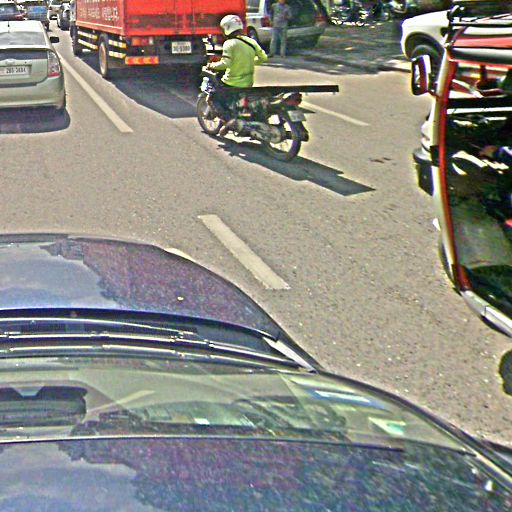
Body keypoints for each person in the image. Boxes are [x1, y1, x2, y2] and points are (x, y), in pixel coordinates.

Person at [207, 14, 267, 135]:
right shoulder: (251, 41)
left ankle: (229, 122)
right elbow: (263, 58)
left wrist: (212, 66)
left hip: (231, 82)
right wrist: (249, 62)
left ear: (227, 28)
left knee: (212, 98)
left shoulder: (230, 43)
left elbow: (226, 63)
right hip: (248, 82)